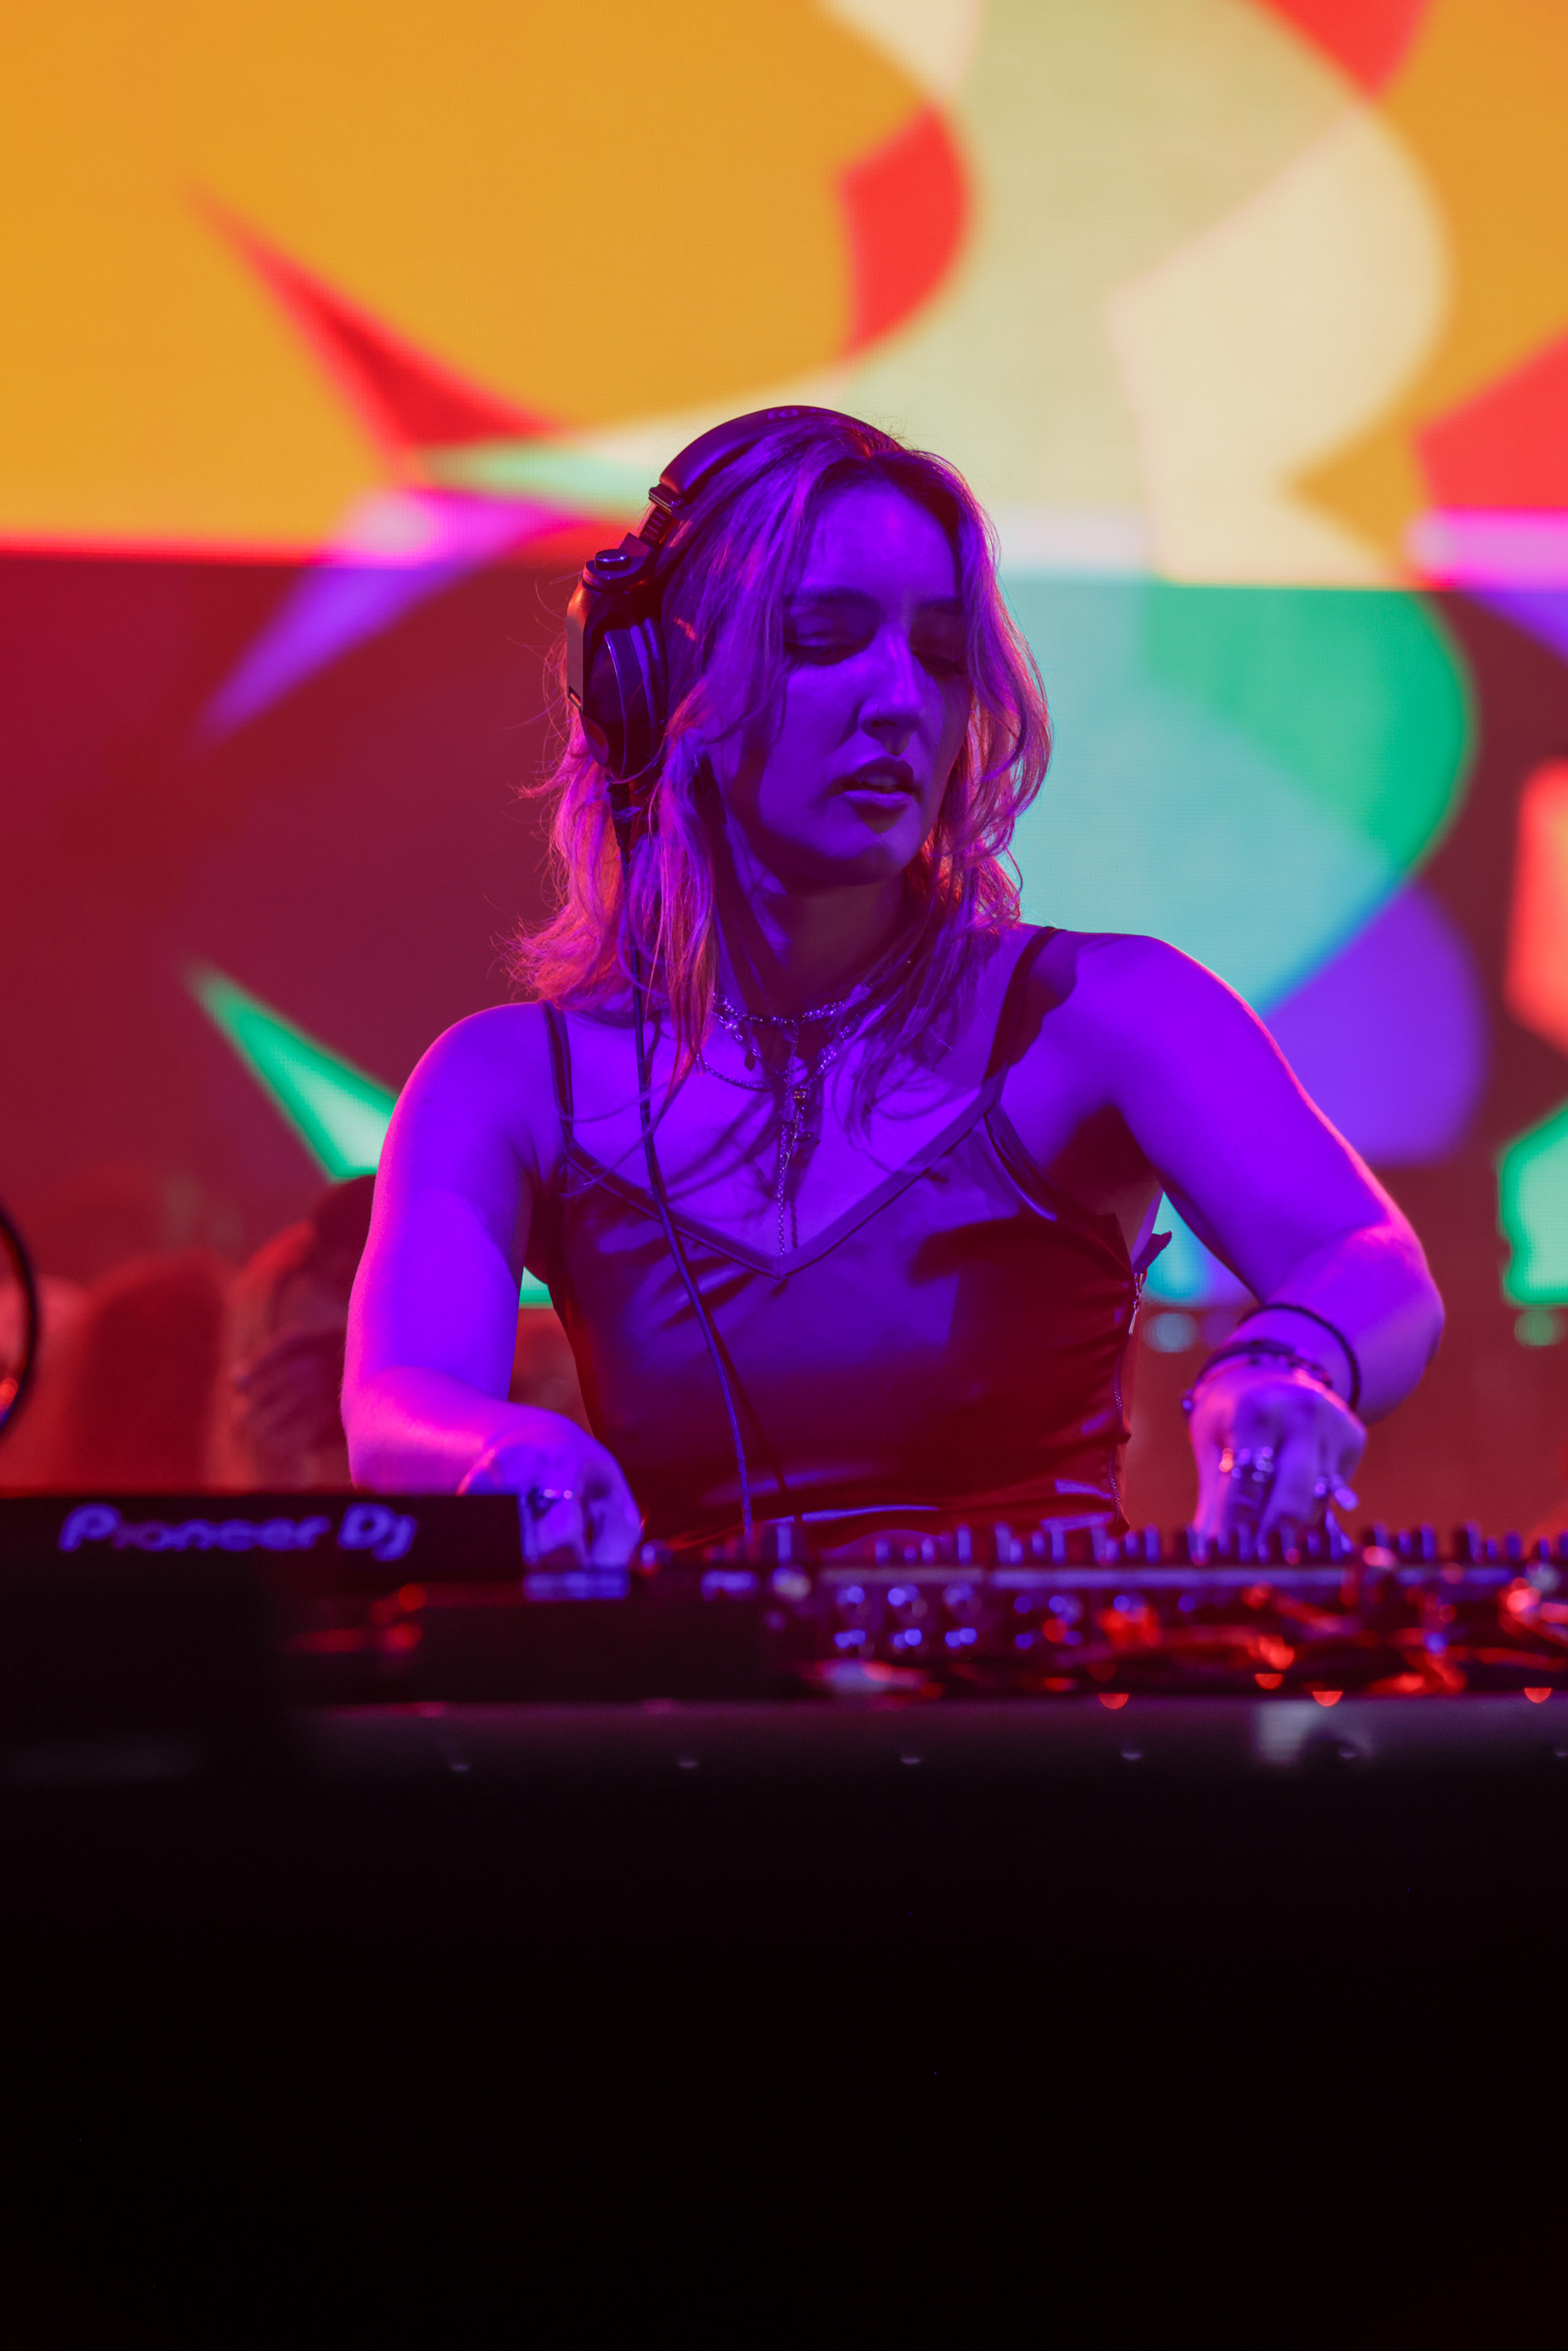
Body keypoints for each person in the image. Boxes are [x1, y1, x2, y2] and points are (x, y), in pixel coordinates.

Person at [343, 409, 1442, 1564]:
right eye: (823, 640)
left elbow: (1367, 1261)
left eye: (940, 656)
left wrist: (1285, 1364)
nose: (900, 702)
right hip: (702, 1733)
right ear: (656, 681)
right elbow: (394, 1405)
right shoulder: (507, 1084)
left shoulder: (1107, 1013)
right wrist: (497, 1452)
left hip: (1044, 1725)